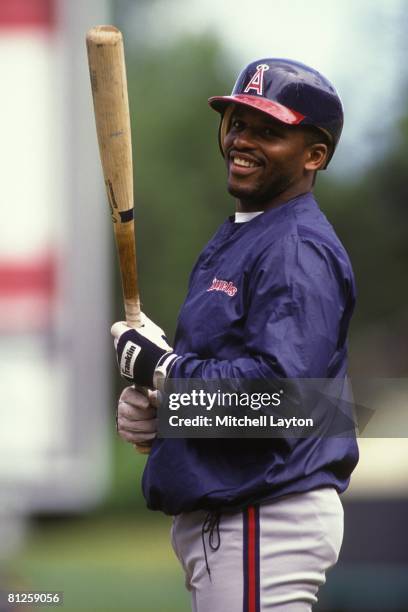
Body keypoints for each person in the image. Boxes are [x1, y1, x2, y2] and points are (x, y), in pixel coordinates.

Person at [111, 58, 359, 611]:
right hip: (240, 517)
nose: (243, 140)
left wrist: (164, 370)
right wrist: (164, 413)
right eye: (238, 123)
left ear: (314, 156)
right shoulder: (253, 233)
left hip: (262, 516)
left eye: (269, 130)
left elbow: (282, 405)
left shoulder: (296, 247)